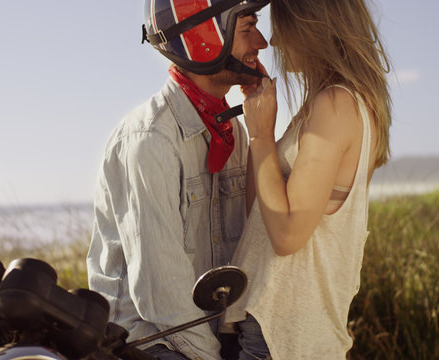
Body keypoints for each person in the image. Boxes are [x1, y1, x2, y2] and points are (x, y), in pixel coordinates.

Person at [86, 1, 271, 359]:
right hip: (149, 340)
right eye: (247, 29)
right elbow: (162, 297)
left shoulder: (233, 129)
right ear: (203, 38)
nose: (261, 43)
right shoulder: (150, 140)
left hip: (210, 331)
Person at [224, 0, 392, 358]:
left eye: (282, 27)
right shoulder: (329, 103)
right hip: (282, 331)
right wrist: (260, 124)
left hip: (283, 336)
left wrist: (260, 136)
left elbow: (286, 235)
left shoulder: (336, 104)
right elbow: (263, 215)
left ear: (311, 26)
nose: (274, 43)